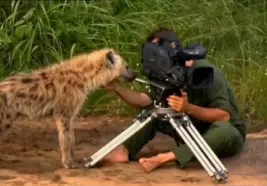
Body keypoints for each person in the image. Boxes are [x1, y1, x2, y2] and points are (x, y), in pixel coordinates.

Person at [101, 27, 247, 173]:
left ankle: (167, 157)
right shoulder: (166, 72)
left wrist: (188, 108)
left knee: (225, 129)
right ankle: (123, 151)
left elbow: (223, 116)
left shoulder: (205, 71)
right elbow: (145, 101)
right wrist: (116, 89)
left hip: (223, 134)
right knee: (154, 111)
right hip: (189, 128)